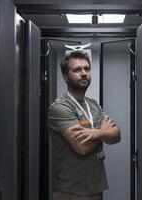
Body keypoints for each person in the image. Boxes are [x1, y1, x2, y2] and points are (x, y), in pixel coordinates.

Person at [48, 50, 121, 200]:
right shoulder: (60, 107)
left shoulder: (93, 104)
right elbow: (82, 147)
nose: (83, 73)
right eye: (77, 70)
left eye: (87, 69)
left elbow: (117, 134)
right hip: (70, 192)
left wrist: (97, 133)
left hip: (95, 188)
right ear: (65, 77)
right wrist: (103, 131)